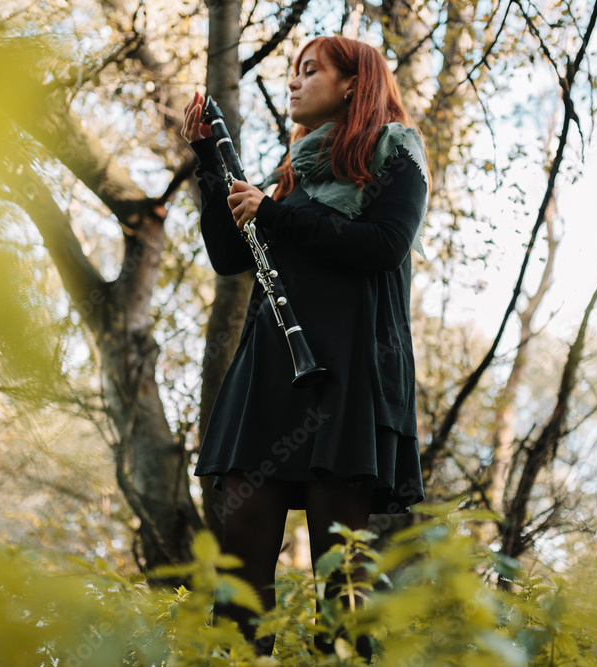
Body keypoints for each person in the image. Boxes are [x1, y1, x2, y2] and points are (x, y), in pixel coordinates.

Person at [181, 35, 428, 658]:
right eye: (292, 72)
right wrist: (211, 161)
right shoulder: (286, 175)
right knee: (239, 580)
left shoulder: (394, 148)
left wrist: (274, 214)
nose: (293, 82)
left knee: (341, 582)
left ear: (352, 83)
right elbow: (227, 255)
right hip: (270, 372)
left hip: (347, 372)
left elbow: (382, 245)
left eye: (309, 71)